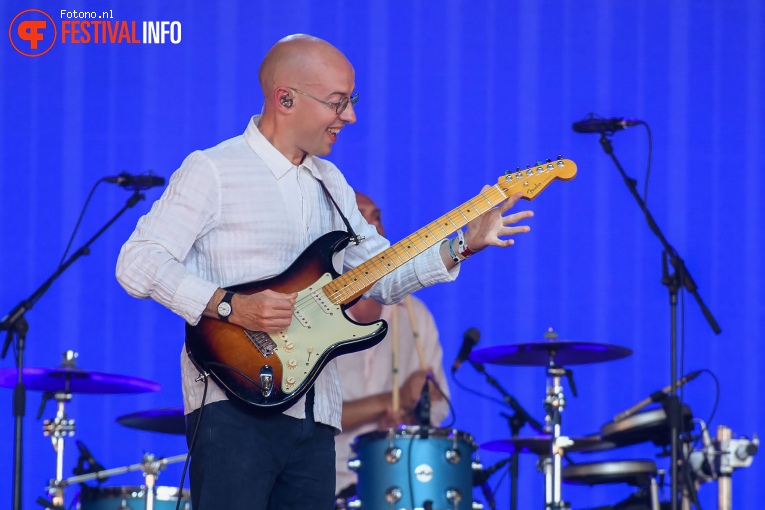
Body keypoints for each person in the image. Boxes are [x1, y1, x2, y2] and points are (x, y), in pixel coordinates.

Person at [115, 33, 533, 510]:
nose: (350, 117)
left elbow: (385, 275)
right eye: (338, 103)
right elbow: (137, 262)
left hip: (316, 416)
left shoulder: (330, 181)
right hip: (233, 404)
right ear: (285, 99)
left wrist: (462, 243)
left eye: (351, 102)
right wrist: (230, 305)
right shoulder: (214, 169)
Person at [335, 192, 451, 500]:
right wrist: (391, 400)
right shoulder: (314, 316)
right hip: (324, 482)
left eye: (377, 217)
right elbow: (310, 417)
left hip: (399, 482)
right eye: (361, 217)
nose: (374, 227)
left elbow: (438, 405)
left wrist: (409, 419)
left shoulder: (415, 315)